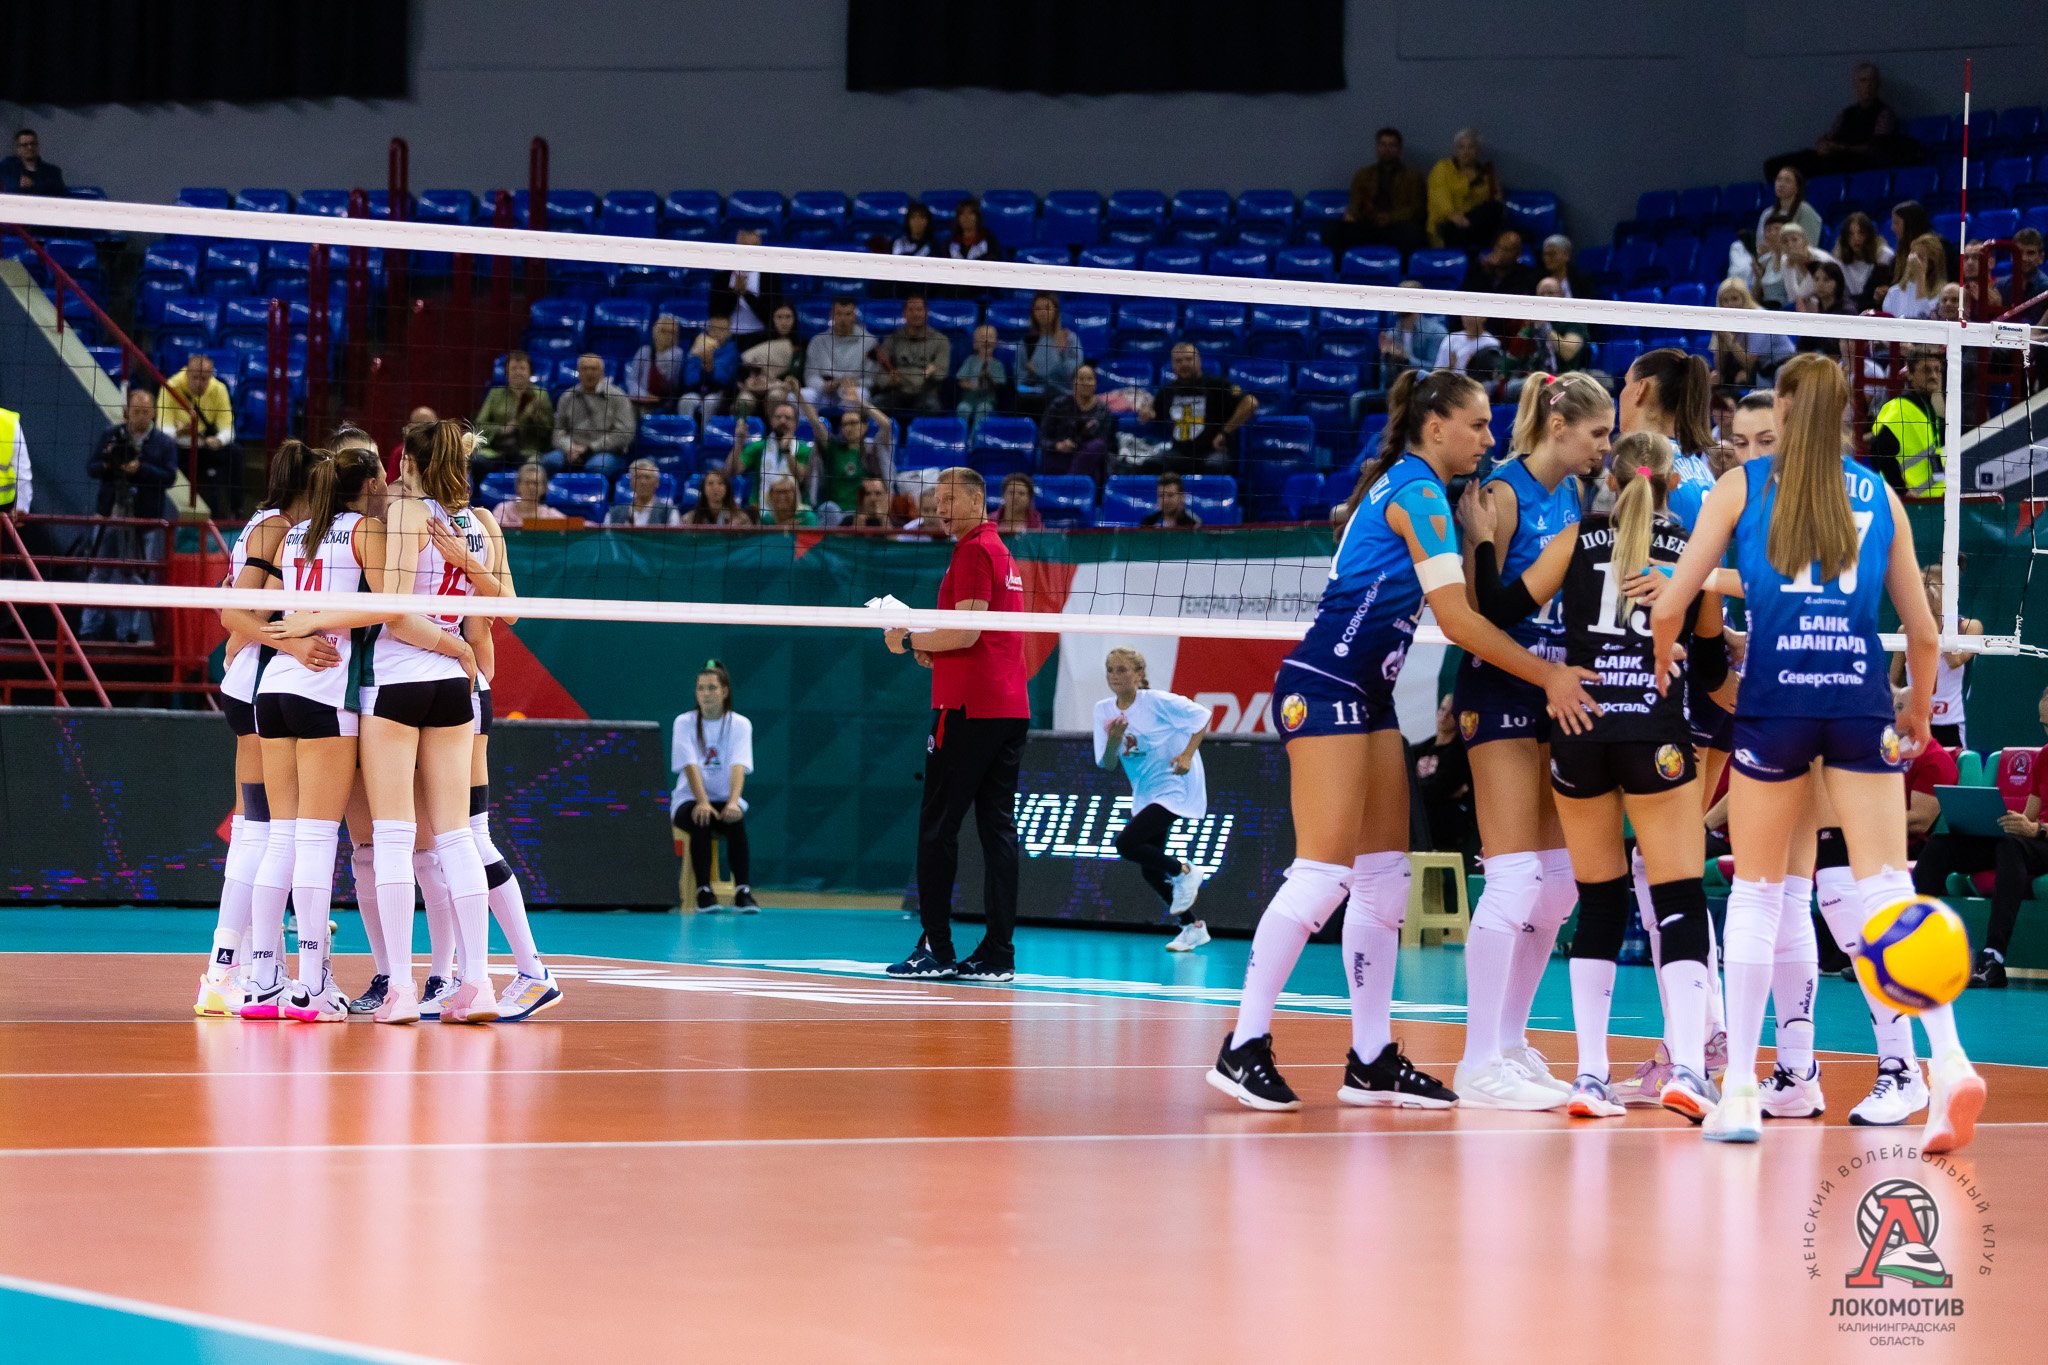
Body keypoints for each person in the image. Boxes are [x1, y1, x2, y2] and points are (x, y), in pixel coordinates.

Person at [1206, 369, 1599, 1113]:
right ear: (1435, 425)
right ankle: (1243, 1042)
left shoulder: (1425, 491)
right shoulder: (1418, 492)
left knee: (1385, 878)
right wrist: (1548, 675)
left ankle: (1370, 1058)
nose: (1489, 438)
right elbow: (1459, 621)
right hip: (1325, 682)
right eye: (1478, 425)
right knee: (1322, 874)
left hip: (1369, 694)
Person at [1650, 351, 1984, 1152]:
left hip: (1776, 704)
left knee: (1759, 893)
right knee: (1888, 889)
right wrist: (1918, 711)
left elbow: (1670, 600)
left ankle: (1739, 1089)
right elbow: (1924, 632)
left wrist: (1664, 658)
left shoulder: (1743, 487)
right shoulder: (1879, 494)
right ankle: (1947, 1060)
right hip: (1858, 702)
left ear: (1786, 412)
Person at [1473, 430, 1727, 1119]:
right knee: (1678, 897)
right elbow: (1709, 672)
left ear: (1608, 481)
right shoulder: (1693, 552)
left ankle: (1590, 1077)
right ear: (1675, 484)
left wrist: (1486, 538)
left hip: (1581, 728)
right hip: (1655, 735)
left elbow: (1496, 609)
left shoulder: (1576, 538)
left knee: (1601, 900)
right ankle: (1686, 1067)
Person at [260, 425, 499, 1025]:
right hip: (454, 685)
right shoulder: (478, 522)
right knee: (456, 837)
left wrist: (307, 619)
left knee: (391, 839)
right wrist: (462, 647)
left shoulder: (402, 516)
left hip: (395, 681)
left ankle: (400, 990)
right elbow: (503, 609)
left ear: (409, 463)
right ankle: (476, 982)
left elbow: (393, 612)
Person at [1445, 371, 1613, 1109]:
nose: (1604, 447)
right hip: (1502, 686)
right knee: (1513, 877)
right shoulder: (1503, 493)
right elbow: (1481, 610)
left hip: (1556, 688)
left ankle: (1511, 1042)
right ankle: (1476, 1058)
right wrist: (1482, 541)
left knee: (1559, 883)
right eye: (1597, 433)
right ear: (1558, 425)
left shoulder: (1572, 494)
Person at [194, 441, 336, 1017]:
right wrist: (290, 644)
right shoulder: (277, 527)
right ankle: (229, 970)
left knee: (263, 829)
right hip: (259, 685)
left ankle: (254, 965)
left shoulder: (271, 523)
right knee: (262, 831)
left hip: (253, 681)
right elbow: (234, 613)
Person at [882, 466, 1030, 982]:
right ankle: (998, 955)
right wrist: (933, 647)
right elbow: (976, 635)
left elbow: (966, 632)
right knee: (997, 832)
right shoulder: (1000, 551)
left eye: (948, 499)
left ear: (976, 499)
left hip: (967, 710)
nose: (939, 509)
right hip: (1009, 708)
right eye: (935, 500)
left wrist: (907, 639)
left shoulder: (973, 551)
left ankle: (936, 949)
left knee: (937, 829)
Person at [1904, 687, 2048, 988]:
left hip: (2039, 840)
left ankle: (1993, 957)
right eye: (2044, 725)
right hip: (2032, 841)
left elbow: (2036, 828)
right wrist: (2013, 822)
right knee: (1942, 846)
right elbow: (2031, 815)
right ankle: (1910, 945)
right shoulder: (2045, 756)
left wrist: (2036, 830)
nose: (2046, 732)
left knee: (2012, 847)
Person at [1094, 647, 1214, 952]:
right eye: (1110, 670)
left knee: (1126, 843)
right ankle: (1192, 927)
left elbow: (1202, 716)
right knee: (1150, 868)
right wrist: (1114, 739)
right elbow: (1108, 763)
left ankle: (1185, 872)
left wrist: (1187, 755)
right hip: (1146, 792)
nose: (1115, 676)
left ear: (1138, 674)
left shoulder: (1157, 702)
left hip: (1176, 784)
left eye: (1122, 669)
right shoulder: (1103, 710)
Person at [80, 388, 179, 644]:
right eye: (136, 411)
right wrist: (109, 464)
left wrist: (141, 468)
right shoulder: (111, 435)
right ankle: (89, 630)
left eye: (145, 412)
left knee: (134, 575)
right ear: (127, 412)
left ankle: (128, 633)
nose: (141, 416)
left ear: (154, 413)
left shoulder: (164, 443)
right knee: (99, 572)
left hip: (143, 520)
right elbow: (91, 468)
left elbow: (169, 477)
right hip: (109, 514)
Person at [672, 660, 758, 912]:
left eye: (711, 688)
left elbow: (739, 765)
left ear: (724, 691)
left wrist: (733, 802)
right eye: (700, 688)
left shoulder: (740, 724)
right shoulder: (684, 722)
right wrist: (702, 801)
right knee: (702, 817)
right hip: (688, 800)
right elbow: (690, 765)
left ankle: (743, 891)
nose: (705, 694)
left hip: (723, 800)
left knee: (736, 819)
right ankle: (703, 891)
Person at [1764, 62, 1909, 181]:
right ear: (1856, 85)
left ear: (1878, 84)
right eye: (1863, 81)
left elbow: (1876, 148)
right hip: (1834, 155)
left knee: (1824, 166)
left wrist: (1842, 148)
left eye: (1872, 81)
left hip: (1856, 161)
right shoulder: (1846, 113)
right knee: (1773, 166)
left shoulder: (1884, 113)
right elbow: (1831, 136)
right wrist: (1823, 144)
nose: (1868, 86)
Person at [1890, 563, 1980, 750]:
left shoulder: (1968, 627)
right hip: (1915, 722)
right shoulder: (1906, 630)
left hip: (1950, 725)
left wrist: (1940, 617)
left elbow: (1954, 661)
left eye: (1930, 586)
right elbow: (1893, 681)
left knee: (1950, 767)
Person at [1150, 342, 1256, 476]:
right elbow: (1153, 412)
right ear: (1172, 365)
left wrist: (1225, 432)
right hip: (1178, 453)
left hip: (1211, 452)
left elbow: (1251, 403)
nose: (1184, 364)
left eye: (1188, 359)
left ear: (1199, 361)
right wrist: (1147, 412)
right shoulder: (1166, 391)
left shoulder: (1217, 385)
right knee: (1151, 465)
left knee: (1215, 466)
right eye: (1179, 361)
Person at [157, 352, 237, 518]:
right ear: (187, 373)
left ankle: (235, 511)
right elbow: (163, 430)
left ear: (211, 376)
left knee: (236, 452)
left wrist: (218, 440)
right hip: (179, 447)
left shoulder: (219, 389)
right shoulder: (171, 387)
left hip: (205, 446)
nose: (199, 383)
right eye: (195, 378)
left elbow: (229, 429)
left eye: (204, 379)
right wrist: (179, 432)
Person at [1326, 126, 1427, 256]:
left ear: (1399, 149)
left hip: (1397, 225)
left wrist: (1390, 218)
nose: (1387, 149)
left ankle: (1404, 268)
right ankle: (1342, 267)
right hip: (1369, 224)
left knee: (1414, 233)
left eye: (1392, 145)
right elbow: (1355, 203)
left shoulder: (1413, 176)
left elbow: (1417, 209)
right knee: (1332, 230)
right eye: (1383, 145)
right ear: (1377, 148)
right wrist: (1352, 215)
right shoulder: (1363, 175)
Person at [1864, 346, 1945, 499]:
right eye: (1926, 370)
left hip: (1930, 501)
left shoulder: (1927, 408)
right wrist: (1901, 491)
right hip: (1908, 503)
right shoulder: (1901, 409)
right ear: (1910, 375)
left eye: (1937, 370)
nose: (1934, 375)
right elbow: (1877, 453)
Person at [803, 396, 895, 524]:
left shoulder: (872, 453)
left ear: (864, 427)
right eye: (844, 424)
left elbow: (886, 425)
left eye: (853, 423)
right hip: (836, 513)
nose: (848, 428)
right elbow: (815, 422)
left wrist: (860, 401)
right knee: (828, 508)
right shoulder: (834, 449)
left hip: (864, 514)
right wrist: (798, 393)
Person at [549, 354, 635, 482]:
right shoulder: (567, 397)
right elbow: (558, 432)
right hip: (571, 449)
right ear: (578, 371)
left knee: (596, 466)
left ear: (602, 372)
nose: (589, 373)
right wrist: (570, 447)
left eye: (594, 369)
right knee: (549, 461)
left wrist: (590, 448)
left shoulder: (618, 396)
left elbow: (624, 433)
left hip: (607, 452)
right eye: (585, 368)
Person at [1410, 695, 1474, 861]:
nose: (1444, 716)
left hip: (1445, 830)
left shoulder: (1460, 753)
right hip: (1416, 830)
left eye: (1451, 713)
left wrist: (1414, 790)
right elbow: (1403, 785)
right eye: (1442, 709)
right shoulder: (1418, 749)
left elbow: (1440, 788)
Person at [473, 350, 555, 476]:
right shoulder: (495, 393)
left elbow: (549, 431)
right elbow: (479, 424)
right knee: (477, 462)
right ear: (506, 373)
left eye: (522, 368)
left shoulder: (541, 395)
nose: (518, 372)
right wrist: (501, 429)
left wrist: (536, 417)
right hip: (496, 451)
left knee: (537, 467)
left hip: (527, 452)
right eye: (513, 368)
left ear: (530, 372)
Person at [1038, 363, 1116, 487]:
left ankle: (1068, 485)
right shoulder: (1059, 405)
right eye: (1081, 378)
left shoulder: (1103, 411)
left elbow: (1104, 442)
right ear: (1073, 383)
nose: (1085, 382)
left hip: (1088, 459)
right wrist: (1058, 445)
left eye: (1089, 379)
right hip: (1060, 456)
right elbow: (1043, 438)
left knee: (1097, 446)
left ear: (1095, 384)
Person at [1426, 128, 1505, 252]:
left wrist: (1467, 220)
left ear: (1478, 151)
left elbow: (1494, 205)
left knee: (1494, 207)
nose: (1466, 152)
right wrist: (1452, 215)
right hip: (1447, 223)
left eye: (1471, 147)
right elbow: (1439, 195)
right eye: (1461, 147)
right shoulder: (1443, 168)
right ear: (1456, 150)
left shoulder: (1487, 175)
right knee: (1454, 229)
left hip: (1474, 227)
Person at [728, 401, 815, 511]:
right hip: (759, 509)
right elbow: (732, 471)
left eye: (788, 418)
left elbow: (801, 478)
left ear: (796, 423)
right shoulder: (758, 447)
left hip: (794, 512)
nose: (782, 421)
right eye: (778, 417)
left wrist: (787, 451)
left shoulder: (804, 450)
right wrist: (739, 443)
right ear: (771, 421)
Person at [874, 295, 951, 416]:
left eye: (919, 310)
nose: (915, 314)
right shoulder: (892, 339)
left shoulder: (941, 340)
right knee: (876, 405)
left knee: (931, 407)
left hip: (925, 393)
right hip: (896, 392)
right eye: (911, 310)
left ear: (926, 313)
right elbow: (879, 373)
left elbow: (942, 373)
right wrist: (889, 380)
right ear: (904, 314)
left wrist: (931, 372)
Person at [1710, 278, 1795, 386]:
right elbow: (1721, 368)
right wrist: (1720, 339)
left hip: (1781, 364)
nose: (1730, 304)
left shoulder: (1758, 317)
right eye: (1725, 301)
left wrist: (1728, 337)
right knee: (1716, 377)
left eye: (1735, 299)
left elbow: (1749, 363)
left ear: (1744, 299)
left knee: (1744, 378)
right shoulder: (1726, 320)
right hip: (1760, 367)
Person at [711, 228, 784, 345]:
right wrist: (735, 293)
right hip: (727, 337)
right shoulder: (722, 276)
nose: (749, 251)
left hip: (761, 337)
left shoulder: (770, 277)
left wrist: (746, 294)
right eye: (745, 246)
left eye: (754, 246)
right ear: (737, 245)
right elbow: (715, 312)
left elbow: (771, 315)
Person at [1014, 292, 1083, 415]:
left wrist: (1038, 373)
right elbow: (1020, 382)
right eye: (1038, 309)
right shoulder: (1026, 342)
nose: (1042, 313)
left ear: (1056, 311)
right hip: (1033, 402)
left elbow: (1072, 375)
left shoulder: (1070, 338)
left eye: (1047, 308)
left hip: (1064, 401)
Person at [804, 297, 879, 406]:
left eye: (848, 314)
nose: (843, 319)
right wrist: (823, 386)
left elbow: (872, 379)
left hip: (854, 388)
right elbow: (810, 376)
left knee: (858, 395)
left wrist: (855, 382)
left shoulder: (869, 341)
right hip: (825, 390)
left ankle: (852, 418)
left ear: (855, 316)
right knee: (800, 396)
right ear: (831, 315)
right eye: (838, 314)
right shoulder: (817, 341)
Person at [625, 313, 688, 412]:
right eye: (663, 331)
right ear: (655, 332)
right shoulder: (644, 351)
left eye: (672, 332)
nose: (667, 335)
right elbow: (631, 381)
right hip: (642, 400)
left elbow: (668, 374)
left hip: (665, 403)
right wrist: (644, 395)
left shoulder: (677, 354)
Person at [737, 302, 804, 393]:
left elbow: (798, 376)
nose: (784, 322)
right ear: (772, 319)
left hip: (783, 388)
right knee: (745, 398)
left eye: (788, 317)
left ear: (794, 319)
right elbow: (744, 368)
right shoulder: (758, 340)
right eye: (779, 317)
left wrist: (778, 383)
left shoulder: (801, 345)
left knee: (775, 395)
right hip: (755, 386)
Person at [1834, 212, 1895, 312]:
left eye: (1861, 233)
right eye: (1851, 234)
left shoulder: (1885, 256)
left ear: (1869, 235)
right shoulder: (1839, 262)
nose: (1856, 238)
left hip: (1877, 308)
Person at [682, 317, 741, 418]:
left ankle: (706, 429)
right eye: (713, 329)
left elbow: (726, 381)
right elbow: (688, 380)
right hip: (696, 391)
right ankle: (686, 428)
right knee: (686, 400)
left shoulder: (732, 351)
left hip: (720, 393)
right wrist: (702, 370)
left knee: (709, 402)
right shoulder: (697, 347)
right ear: (708, 330)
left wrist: (711, 370)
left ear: (729, 333)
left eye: (722, 329)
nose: (717, 333)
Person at [1879, 232, 1946, 320]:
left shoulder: (1942, 295)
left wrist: (1920, 276)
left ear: (1932, 264)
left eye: (1920, 257)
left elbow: (1924, 317)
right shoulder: (1894, 292)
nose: (1913, 260)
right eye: (1912, 254)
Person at [955, 324, 1007, 431]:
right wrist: (973, 386)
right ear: (975, 344)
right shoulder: (970, 360)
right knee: (962, 408)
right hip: (968, 400)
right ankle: (961, 435)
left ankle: (974, 436)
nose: (986, 341)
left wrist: (988, 378)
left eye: (990, 337)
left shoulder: (997, 364)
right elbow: (961, 380)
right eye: (983, 337)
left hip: (987, 401)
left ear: (996, 343)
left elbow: (999, 385)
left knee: (983, 409)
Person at [1755, 167, 1825, 248]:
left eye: (1787, 181)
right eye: (1778, 180)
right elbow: (1760, 246)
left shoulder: (1805, 210)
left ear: (1797, 188)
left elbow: (1810, 245)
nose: (1781, 184)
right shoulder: (1767, 213)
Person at [604, 458, 682, 527]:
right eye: (637, 477)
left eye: (647, 477)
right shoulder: (614, 513)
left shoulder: (669, 513)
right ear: (631, 482)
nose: (642, 482)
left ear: (657, 482)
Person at [492, 461, 566, 528]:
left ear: (544, 488)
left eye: (536, 483)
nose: (531, 487)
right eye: (527, 482)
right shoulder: (502, 510)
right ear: (518, 485)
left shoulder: (553, 517)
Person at [1464, 229, 1534, 295]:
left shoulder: (1524, 275)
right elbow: (1469, 294)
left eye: (1507, 250)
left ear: (1517, 253)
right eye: (1499, 247)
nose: (1501, 252)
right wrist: (1487, 271)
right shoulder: (1479, 269)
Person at [1433, 315, 1502, 381]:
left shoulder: (1492, 344)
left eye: (1473, 316)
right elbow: (1436, 374)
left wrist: (1472, 368)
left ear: (1484, 317)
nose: (1468, 319)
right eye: (1466, 315)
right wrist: (1450, 366)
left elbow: (1492, 379)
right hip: (1451, 386)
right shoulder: (1451, 339)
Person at [1, 129, 66, 196]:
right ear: (18, 149)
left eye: (33, 144)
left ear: (37, 146)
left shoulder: (52, 172)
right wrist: (18, 184)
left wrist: (34, 185)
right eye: (24, 145)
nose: (30, 147)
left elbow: (60, 194)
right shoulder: (8, 166)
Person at [684, 467, 753, 527]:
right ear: (703, 489)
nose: (715, 487)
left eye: (720, 483)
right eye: (710, 483)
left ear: (727, 488)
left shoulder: (742, 519)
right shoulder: (690, 520)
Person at [1537, 235, 1597, 300]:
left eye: (1552, 254)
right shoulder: (1537, 278)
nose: (1547, 258)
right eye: (1545, 254)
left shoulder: (1581, 279)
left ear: (1566, 255)